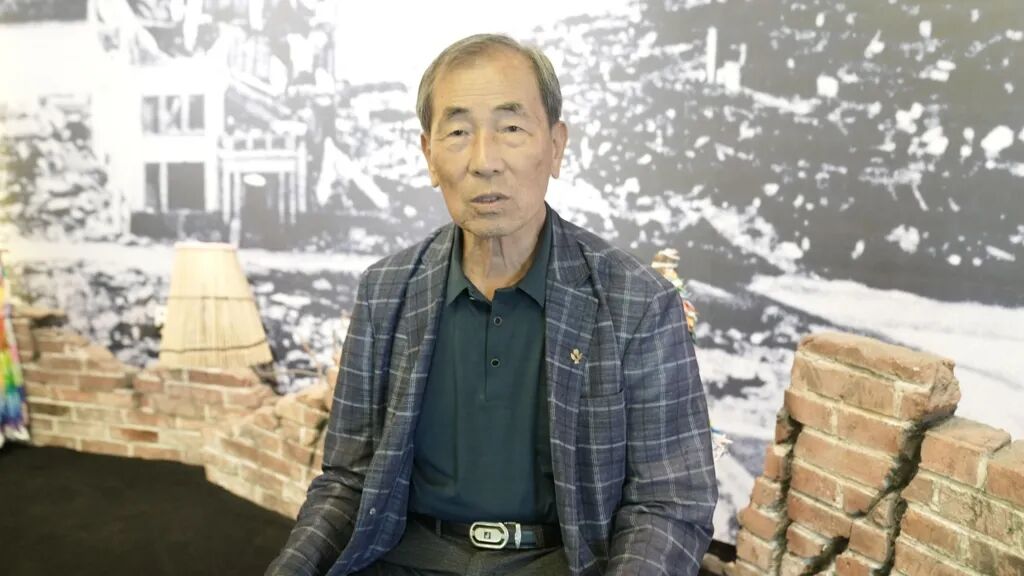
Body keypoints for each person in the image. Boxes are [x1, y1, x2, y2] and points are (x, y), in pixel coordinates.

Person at [266, 33, 717, 576]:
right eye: (458, 132)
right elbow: (347, 480)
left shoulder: (636, 302)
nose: (485, 161)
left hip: (560, 563)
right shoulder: (386, 291)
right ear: (429, 156)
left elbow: (669, 503)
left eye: (511, 128)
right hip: (407, 557)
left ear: (556, 146)